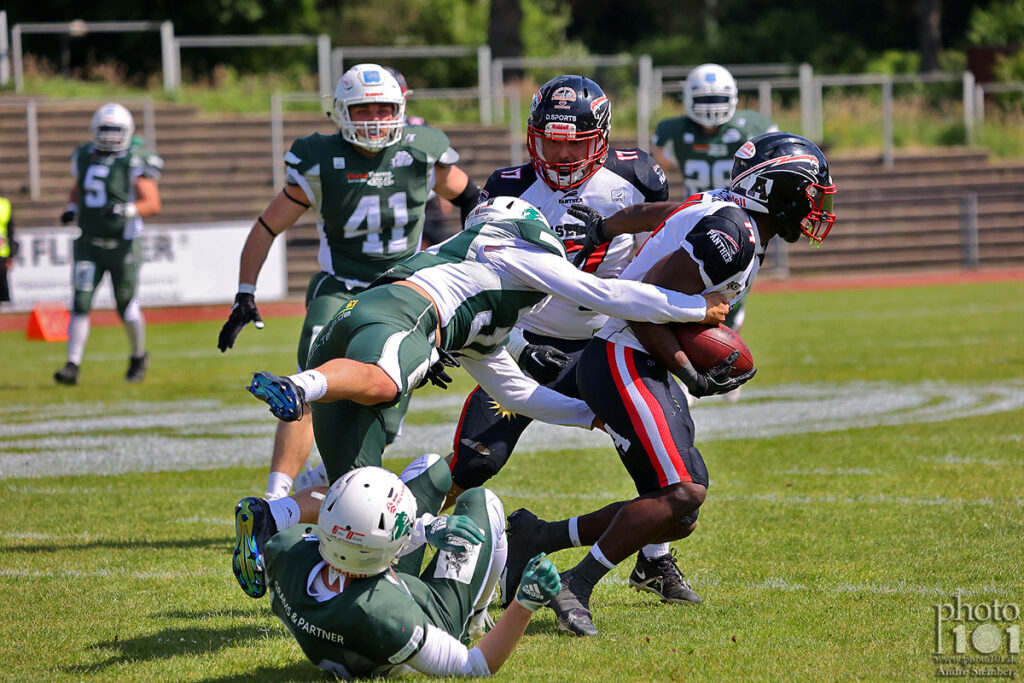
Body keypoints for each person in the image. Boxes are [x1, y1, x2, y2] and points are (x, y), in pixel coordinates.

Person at [502, 132, 837, 637]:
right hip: (622, 354)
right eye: (811, 193)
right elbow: (642, 304)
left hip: (636, 357)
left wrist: (606, 227)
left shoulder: (731, 216)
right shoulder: (734, 235)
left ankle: (539, 537)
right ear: (778, 190)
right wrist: (690, 370)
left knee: (677, 515)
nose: (816, 207)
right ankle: (577, 582)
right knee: (683, 491)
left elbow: (660, 213)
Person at [442, 74, 702, 606]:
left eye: (574, 142)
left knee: (669, 478)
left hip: (613, 345)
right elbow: (480, 280)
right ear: (533, 137)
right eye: (551, 140)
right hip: (529, 343)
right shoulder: (508, 188)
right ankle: (416, 544)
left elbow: (658, 259)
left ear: (600, 139)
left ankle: (654, 561)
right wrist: (514, 345)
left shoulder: (639, 176)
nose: (560, 154)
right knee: (474, 462)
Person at [217, 63, 482, 502]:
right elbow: (267, 225)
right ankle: (275, 495)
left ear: (400, 108)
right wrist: (245, 292)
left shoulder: (421, 151)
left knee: (382, 411)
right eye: (363, 110)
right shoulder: (320, 158)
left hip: (403, 292)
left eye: (383, 109)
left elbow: (473, 199)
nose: (374, 120)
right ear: (341, 112)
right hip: (339, 285)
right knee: (311, 383)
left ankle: (312, 486)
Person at [234, 458, 563, 677]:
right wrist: (525, 603)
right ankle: (474, 618)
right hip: (420, 619)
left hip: (369, 586)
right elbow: (473, 665)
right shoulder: (386, 616)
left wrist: (423, 530)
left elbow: (355, 548)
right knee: (482, 501)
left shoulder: (285, 548)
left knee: (430, 467)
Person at [652, 63, 779, 402]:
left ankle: (721, 357)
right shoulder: (674, 131)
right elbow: (657, 169)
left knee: (732, 298)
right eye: (704, 97)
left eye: (717, 97)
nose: (710, 104)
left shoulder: (753, 128)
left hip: (740, 221)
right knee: (686, 288)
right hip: (698, 216)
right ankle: (697, 362)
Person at [54, 103, 163, 385]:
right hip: (88, 243)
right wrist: (70, 206)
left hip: (122, 245)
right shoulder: (84, 156)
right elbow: (80, 187)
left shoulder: (134, 160)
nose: (110, 136)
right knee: (80, 302)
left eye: (116, 130)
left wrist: (126, 210)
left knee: (126, 305)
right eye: (105, 129)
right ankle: (72, 365)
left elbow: (152, 202)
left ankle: (138, 355)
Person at [0, 195, 17, 309]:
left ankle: (6, 317)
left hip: (2, 251)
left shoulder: (4, 204)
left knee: (2, 284)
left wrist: (11, 254)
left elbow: (10, 231)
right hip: (3, 250)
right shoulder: (4, 204)